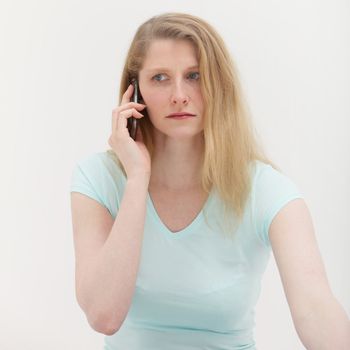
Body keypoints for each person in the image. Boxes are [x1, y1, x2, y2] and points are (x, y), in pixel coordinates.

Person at [70, 12, 350, 350]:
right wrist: (137, 180)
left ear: (219, 83)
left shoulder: (267, 190)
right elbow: (104, 316)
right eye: (160, 77)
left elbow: (314, 310)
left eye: (195, 75)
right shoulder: (98, 179)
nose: (179, 95)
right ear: (135, 92)